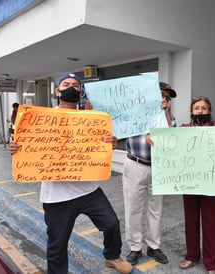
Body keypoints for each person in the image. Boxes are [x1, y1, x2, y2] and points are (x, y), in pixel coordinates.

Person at [9, 73, 132, 274]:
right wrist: (16, 148)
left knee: (111, 224)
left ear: (80, 92)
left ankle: (112, 257)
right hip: (57, 197)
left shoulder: (92, 119)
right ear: (57, 91)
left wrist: (110, 143)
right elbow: (25, 146)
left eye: (76, 85)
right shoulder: (40, 120)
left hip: (88, 190)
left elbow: (100, 147)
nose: (71, 87)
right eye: (66, 84)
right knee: (57, 243)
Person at [122, 82, 176, 265]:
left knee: (156, 209)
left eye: (167, 97)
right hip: (135, 164)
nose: (164, 99)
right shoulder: (133, 113)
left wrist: (167, 113)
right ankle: (135, 247)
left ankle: (153, 246)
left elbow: (171, 139)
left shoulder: (169, 118)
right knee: (133, 208)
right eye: (162, 95)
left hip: (158, 167)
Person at [177, 96, 215, 274]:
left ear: (209, 111)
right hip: (190, 183)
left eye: (204, 108)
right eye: (197, 108)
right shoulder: (184, 130)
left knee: (211, 223)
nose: (200, 111)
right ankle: (192, 255)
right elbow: (170, 146)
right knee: (191, 221)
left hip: (211, 183)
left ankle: (212, 263)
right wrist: (155, 142)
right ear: (191, 111)